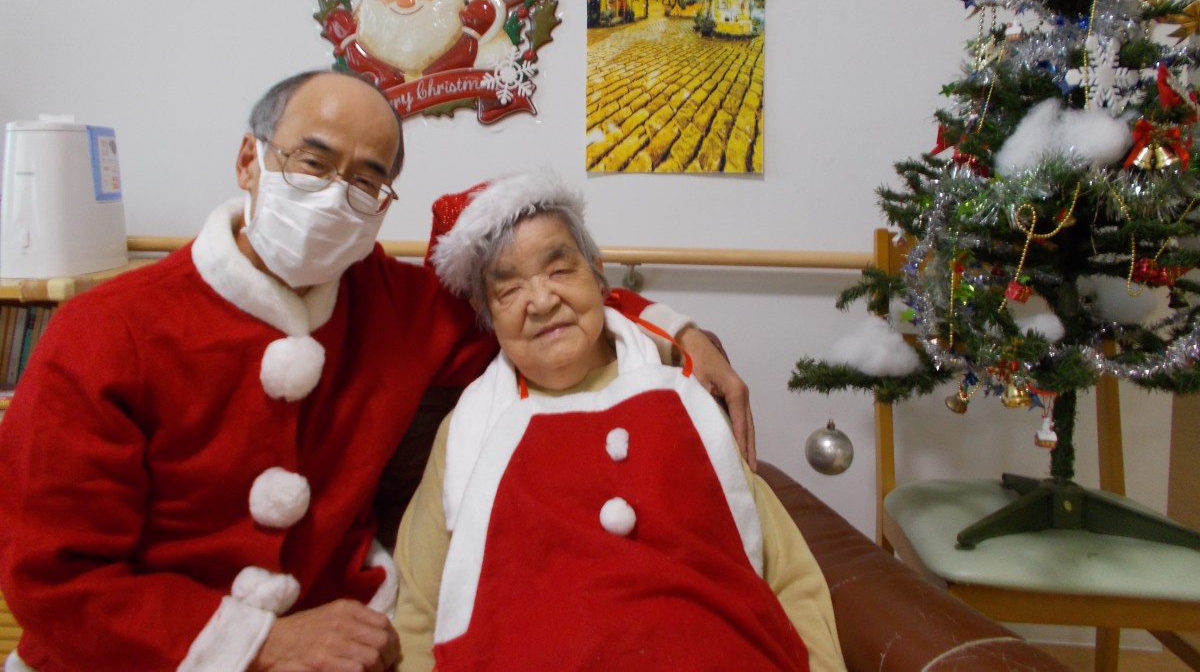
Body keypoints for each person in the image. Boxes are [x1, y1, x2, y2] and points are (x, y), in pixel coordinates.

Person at [0, 70, 754, 672]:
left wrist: (679, 330)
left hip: (354, 635)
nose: (336, 196)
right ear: (249, 162)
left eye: (366, 181)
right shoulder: (104, 331)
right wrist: (263, 643)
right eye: (313, 163)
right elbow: (55, 581)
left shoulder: (394, 304)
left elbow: (539, 301)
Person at [392, 170, 845, 671]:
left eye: (559, 271)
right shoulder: (468, 432)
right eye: (510, 289)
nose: (541, 301)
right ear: (485, 311)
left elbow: (790, 577)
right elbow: (420, 612)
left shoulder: (685, 395)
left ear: (598, 275)